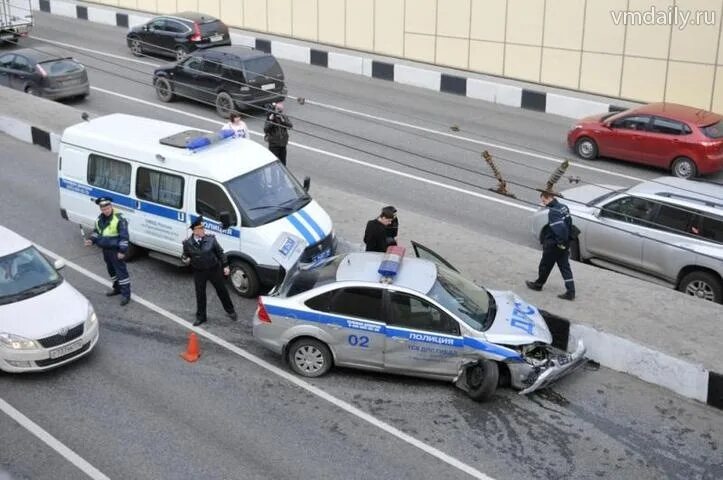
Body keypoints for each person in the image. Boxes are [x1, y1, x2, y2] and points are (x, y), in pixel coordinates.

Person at [182, 217, 237, 326]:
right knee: (200, 294)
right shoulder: (188, 243)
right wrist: (185, 260)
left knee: (222, 290)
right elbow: (185, 256)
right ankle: (201, 317)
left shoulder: (211, 239)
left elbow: (220, 253)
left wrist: (225, 266)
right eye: (200, 229)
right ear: (194, 231)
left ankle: (230, 310)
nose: (203, 230)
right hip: (199, 272)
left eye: (203, 228)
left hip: (214, 269)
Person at [526, 191, 576, 300]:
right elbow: (569, 223)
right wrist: (565, 244)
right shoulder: (564, 207)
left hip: (555, 245)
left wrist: (560, 243)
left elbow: (560, 228)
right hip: (565, 244)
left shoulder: (553, 212)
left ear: (549, 198)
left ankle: (538, 285)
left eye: (544, 200)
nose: (543, 202)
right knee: (565, 267)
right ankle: (571, 291)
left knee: (545, 265)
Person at [84, 197, 132, 306]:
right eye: (103, 209)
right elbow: (97, 232)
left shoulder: (119, 219)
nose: (106, 210)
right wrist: (91, 240)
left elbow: (124, 237)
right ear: (101, 209)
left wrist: (122, 251)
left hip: (116, 250)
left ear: (111, 206)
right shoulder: (99, 219)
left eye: (107, 208)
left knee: (121, 272)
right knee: (111, 271)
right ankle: (117, 288)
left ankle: (126, 295)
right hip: (106, 250)